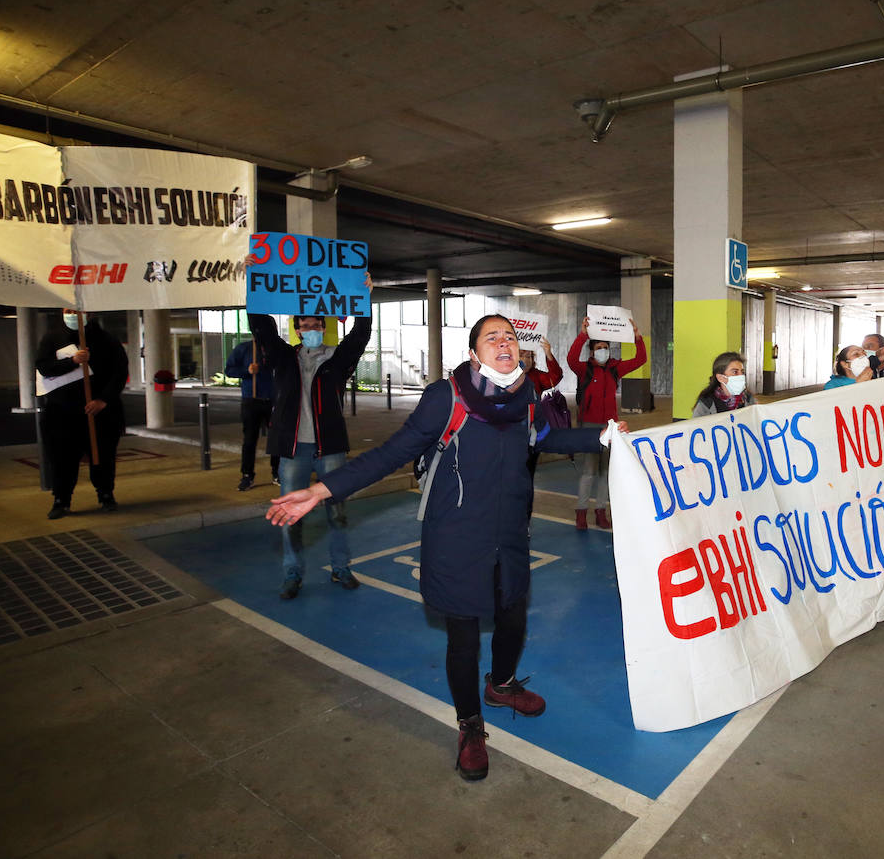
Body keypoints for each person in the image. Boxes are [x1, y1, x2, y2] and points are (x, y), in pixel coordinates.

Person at [265, 315, 621, 782]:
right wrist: (320, 490)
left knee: (513, 616)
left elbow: (546, 438)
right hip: (456, 537)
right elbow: (390, 454)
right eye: (491, 337)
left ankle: (502, 685)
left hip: (511, 534)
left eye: (509, 337)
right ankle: (470, 725)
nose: (504, 343)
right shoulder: (446, 397)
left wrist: (601, 435)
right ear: (474, 352)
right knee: (465, 636)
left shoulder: (526, 396)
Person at [250, 303, 373, 600]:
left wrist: (363, 299)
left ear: (324, 328)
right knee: (289, 514)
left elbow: (360, 334)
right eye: (305, 327)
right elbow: (261, 326)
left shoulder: (337, 360)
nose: (312, 331)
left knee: (338, 511)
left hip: (330, 447)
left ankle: (340, 567)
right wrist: (255, 287)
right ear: (296, 331)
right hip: (293, 450)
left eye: (317, 326)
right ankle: (292, 573)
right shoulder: (282, 357)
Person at [35, 310, 128, 519]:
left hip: (100, 411)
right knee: (62, 458)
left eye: (78, 310)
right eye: (68, 311)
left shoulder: (107, 340)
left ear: (89, 313)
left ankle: (105, 494)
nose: (73, 314)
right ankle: (61, 499)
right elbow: (43, 367)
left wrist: (103, 400)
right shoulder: (52, 338)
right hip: (62, 412)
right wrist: (72, 362)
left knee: (102, 455)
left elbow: (120, 372)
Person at [566, 316, 646, 530]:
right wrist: (583, 334)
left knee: (605, 473)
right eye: (599, 347)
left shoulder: (614, 369)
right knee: (589, 471)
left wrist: (637, 338)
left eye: (606, 347)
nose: (603, 351)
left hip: (611, 427)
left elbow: (641, 360)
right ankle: (581, 512)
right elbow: (571, 359)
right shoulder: (584, 370)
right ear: (592, 352)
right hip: (590, 428)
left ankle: (601, 512)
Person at [224, 335, 280, 491]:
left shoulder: (276, 349)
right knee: (249, 440)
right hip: (251, 400)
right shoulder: (244, 348)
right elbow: (229, 370)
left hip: (273, 400)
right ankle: (247, 476)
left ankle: (277, 472)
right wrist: (246, 370)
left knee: (276, 439)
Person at [521, 337, 564, 479]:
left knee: (528, 474)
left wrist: (548, 354)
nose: (526, 360)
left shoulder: (536, 376)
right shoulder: (505, 375)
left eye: (529, 356)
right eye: (522, 355)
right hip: (511, 434)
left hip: (532, 434)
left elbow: (555, 376)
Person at [692, 351, 756, 416]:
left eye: (742, 372)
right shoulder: (706, 403)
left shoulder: (748, 399)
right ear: (720, 377)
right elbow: (696, 425)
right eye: (735, 372)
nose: (741, 376)